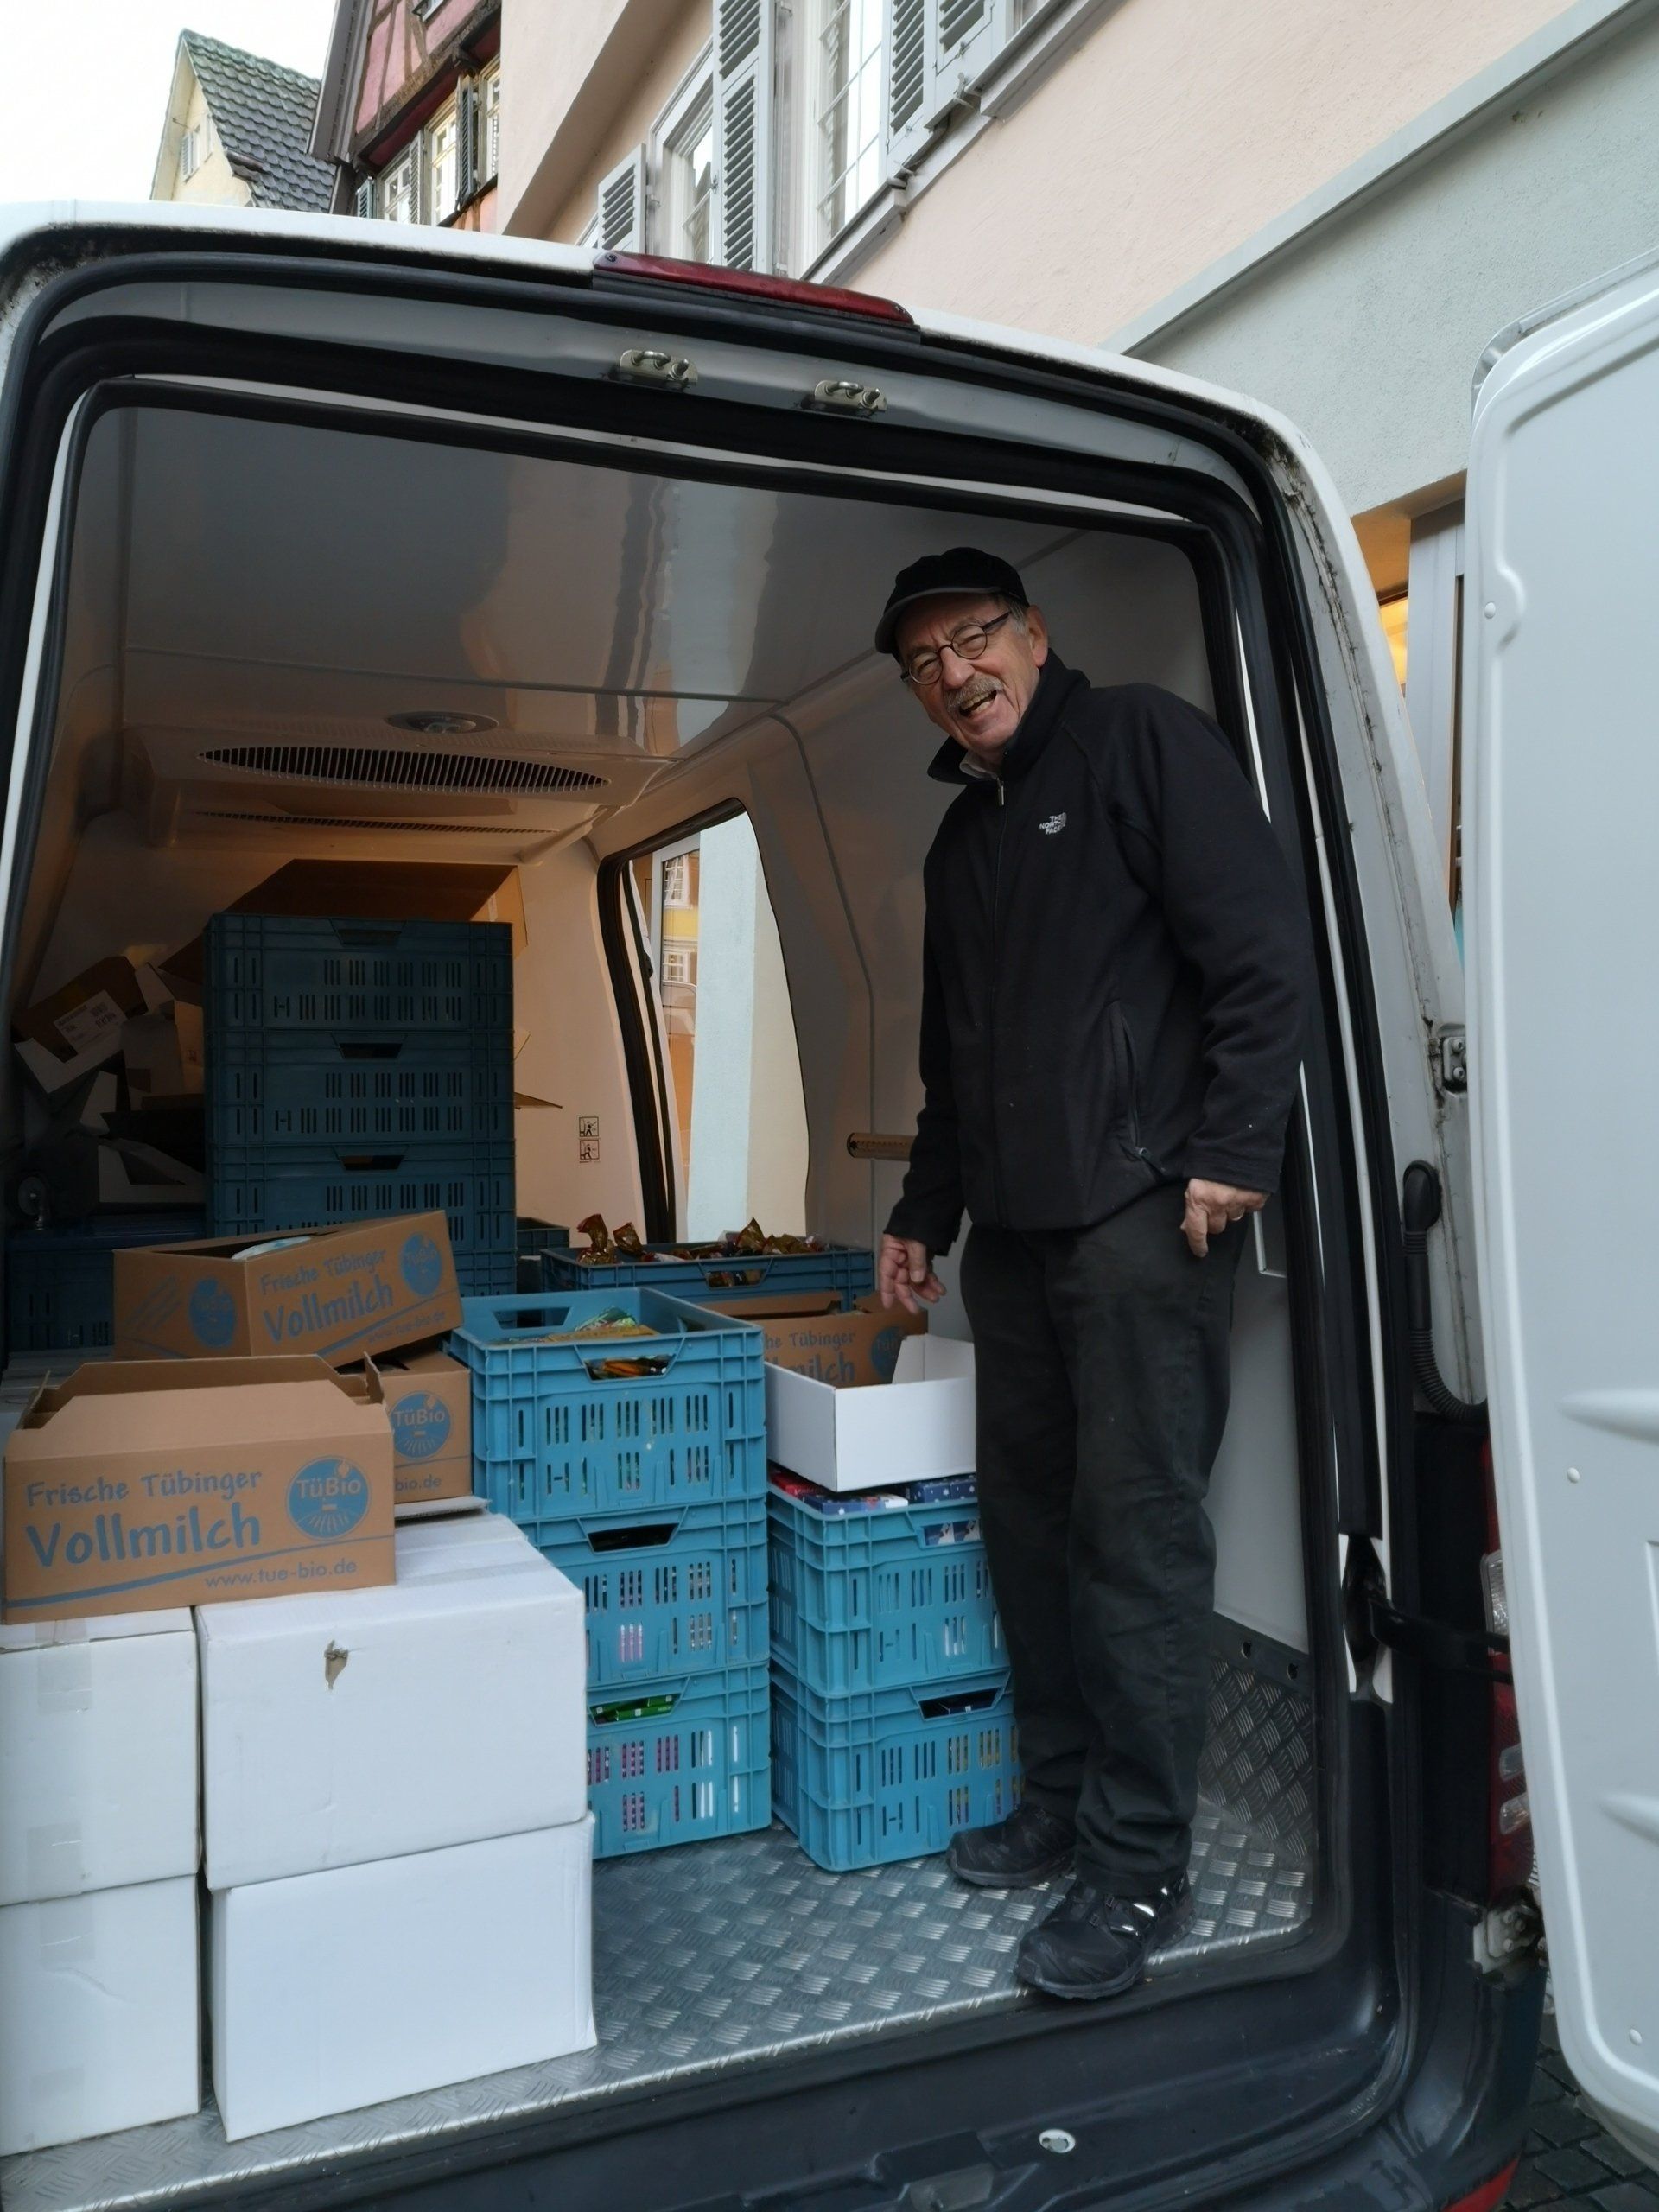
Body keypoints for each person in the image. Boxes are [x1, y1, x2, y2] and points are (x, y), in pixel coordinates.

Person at [875, 547, 1312, 2002]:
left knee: (1135, 1540)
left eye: (974, 638)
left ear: (1033, 633)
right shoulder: (963, 843)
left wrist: (1234, 1149)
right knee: (1031, 1530)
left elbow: (1262, 950)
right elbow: (954, 1064)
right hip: (1014, 1241)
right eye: (927, 662)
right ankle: (1059, 1801)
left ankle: (1136, 1867)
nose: (956, 674)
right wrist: (925, 1211)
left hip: (1142, 1224)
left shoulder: (1137, 742)